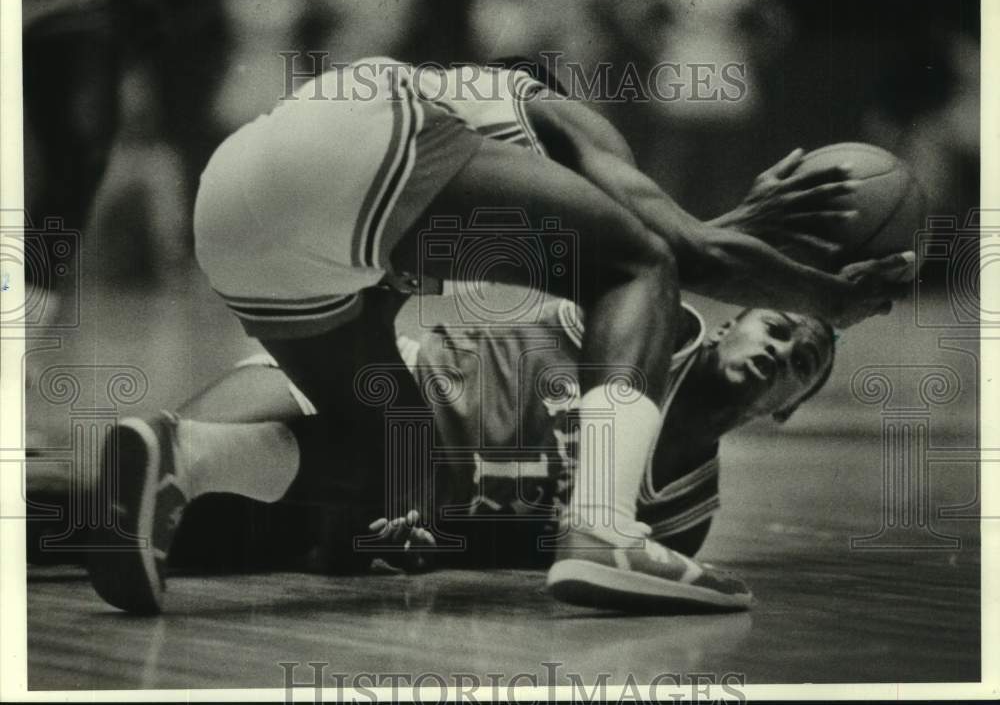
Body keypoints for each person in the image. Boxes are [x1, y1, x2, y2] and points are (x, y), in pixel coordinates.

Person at [88, 56, 911, 614]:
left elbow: (640, 245)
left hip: (233, 216)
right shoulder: (558, 119)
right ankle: (604, 524)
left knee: (389, 458)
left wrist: (729, 237)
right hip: (353, 153)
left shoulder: (448, 209)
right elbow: (664, 255)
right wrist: (829, 297)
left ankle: (180, 453)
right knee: (640, 262)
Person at [85, 289, 835, 613]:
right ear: (734, 318)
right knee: (117, 491)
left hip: (364, 515)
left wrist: (428, 545)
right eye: (775, 325)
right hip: (366, 402)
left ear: (789, 410)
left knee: (129, 527)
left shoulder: (684, 518)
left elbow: (520, 559)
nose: (779, 348)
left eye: (802, 359)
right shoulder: (650, 329)